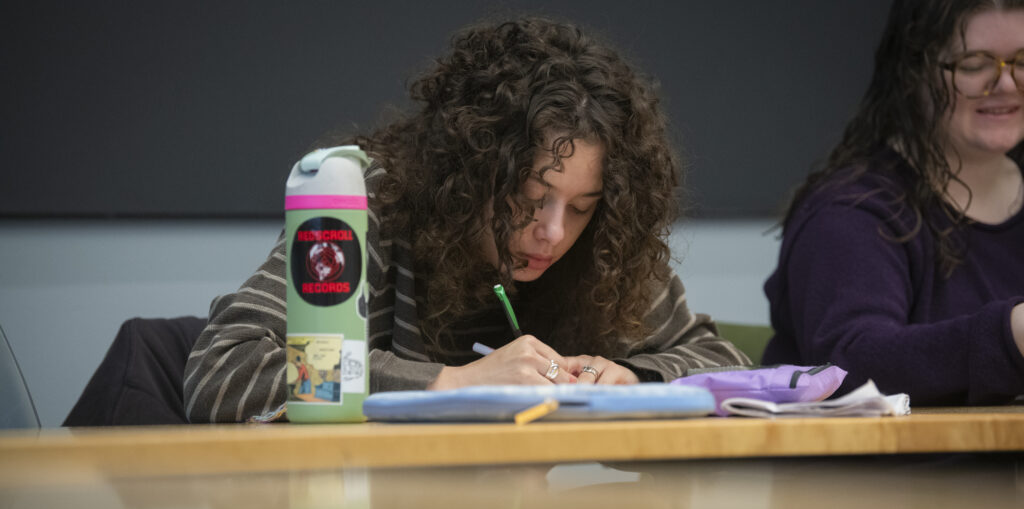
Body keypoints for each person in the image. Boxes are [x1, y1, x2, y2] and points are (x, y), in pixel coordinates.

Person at [184, 17, 748, 423]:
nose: (553, 232)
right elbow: (226, 366)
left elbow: (721, 360)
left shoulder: (601, 249)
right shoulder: (364, 208)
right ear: (471, 172)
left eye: (580, 206)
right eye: (531, 196)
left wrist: (636, 376)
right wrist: (446, 384)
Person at [763, 0, 1024, 406]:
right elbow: (847, 367)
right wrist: (1011, 334)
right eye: (974, 65)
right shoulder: (851, 210)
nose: (1007, 85)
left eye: (1022, 60)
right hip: (883, 468)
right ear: (912, 73)